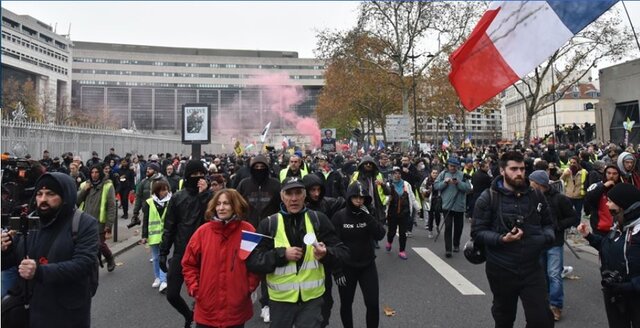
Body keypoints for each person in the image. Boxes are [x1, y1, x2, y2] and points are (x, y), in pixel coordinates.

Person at [246, 177, 350, 328]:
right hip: (280, 301)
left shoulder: (318, 219)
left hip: (312, 300)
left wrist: (326, 253)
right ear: (282, 196)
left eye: (298, 193)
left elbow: (343, 253)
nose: (294, 198)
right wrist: (281, 254)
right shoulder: (269, 224)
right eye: (289, 194)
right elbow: (253, 261)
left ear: (304, 196)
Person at [1, 173, 99, 327]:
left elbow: (83, 264)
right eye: (39, 194)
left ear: (65, 196)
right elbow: (13, 261)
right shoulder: (30, 222)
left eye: (50, 194)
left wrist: (39, 271)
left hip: (67, 314)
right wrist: (4, 250)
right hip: (32, 312)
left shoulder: (84, 223)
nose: (43, 199)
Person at [471, 151, 555, 328]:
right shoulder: (488, 197)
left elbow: (549, 224)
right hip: (501, 269)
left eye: (522, 169)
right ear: (502, 170)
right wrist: (502, 239)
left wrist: (544, 238)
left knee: (542, 320)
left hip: (532, 268)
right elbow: (478, 232)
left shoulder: (536, 196)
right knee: (504, 318)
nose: (519, 173)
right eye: (514, 169)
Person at [182, 189, 261, 328]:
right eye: (218, 204)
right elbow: (189, 263)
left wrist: (248, 287)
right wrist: (195, 288)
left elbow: (256, 263)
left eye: (226, 203)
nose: (221, 208)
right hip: (207, 307)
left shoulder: (248, 230)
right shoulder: (203, 232)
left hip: (235, 308)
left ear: (235, 205)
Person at [577, 183, 640, 327]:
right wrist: (589, 236)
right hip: (614, 293)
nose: (607, 203)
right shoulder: (618, 225)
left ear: (623, 205)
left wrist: (630, 286)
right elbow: (607, 248)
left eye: (610, 201)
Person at [158, 160, 212, 328]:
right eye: (193, 175)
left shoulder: (211, 197)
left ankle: (201, 320)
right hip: (182, 251)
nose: (197, 178)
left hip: (205, 253)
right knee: (172, 294)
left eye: (200, 174)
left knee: (203, 295)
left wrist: (204, 195)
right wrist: (163, 252)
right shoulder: (178, 197)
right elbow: (169, 226)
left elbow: (210, 219)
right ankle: (189, 315)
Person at [331, 181, 386, 328]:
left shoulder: (368, 213)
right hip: (346, 267)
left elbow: (380, 235)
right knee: (346, 303)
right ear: (349, 197)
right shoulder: (339, 217)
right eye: (355, 197)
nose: (359, 201)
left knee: (373, 303)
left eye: (362, 198)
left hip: (367, 265)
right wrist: (336, 270)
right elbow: (333, 244)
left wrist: (368, 217)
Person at [529, 170, 578, 321]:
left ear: (538, 184)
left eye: (531, 182)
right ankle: (546, 303)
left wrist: (557, 225)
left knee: (554, 274)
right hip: (538, 242)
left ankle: (555, 306)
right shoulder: (530, 198)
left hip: (554, 243)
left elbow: (573, 218)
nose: (529, 185)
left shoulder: (559, 199)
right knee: (542, 275)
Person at [303, 173, 346, 327]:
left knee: (326, 300)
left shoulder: (326, 204)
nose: (316, 194)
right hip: (305, 260)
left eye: (318, 189)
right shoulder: (299, 209)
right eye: (312, 190)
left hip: (325, 257)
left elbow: (344, 202)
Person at [77, 164, 117, 272]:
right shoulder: (84, 185)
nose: (94, 175)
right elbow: (76, 202)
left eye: (96, 172)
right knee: (87, 246)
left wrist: (108, 227)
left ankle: (109, 258)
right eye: (92, 172)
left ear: (100, 173)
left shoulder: (108, 185)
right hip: (85, 220)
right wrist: (84, 190)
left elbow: (111, 207)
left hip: (100, 221)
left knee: (99, 245)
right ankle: (90, 266)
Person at [433, 157, 472, 258]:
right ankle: (448, 249)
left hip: (459, 206)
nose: (452, 168)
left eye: (454, 166)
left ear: (457, 166)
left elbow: (468, 188)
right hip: (447, 205)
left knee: (458, 227)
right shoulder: (443, 174)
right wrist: (445, 182)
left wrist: (458, 183)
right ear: (448, 165)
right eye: (451, 166)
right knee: (448, 226)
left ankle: (456, 244)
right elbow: (436, 186)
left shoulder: (463, 175)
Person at [140, 180, 171, 293]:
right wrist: (144, 235)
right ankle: (157, 277)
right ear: (157, 191)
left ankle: (163, 280)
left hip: (165, 235)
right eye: (163, 190)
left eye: (166, 189)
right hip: (153, 235)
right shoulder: (149, 202)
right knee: (156, 258)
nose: (166, 192)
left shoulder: (170, 202)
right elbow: (146, 219)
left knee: (162, 256)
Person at [385, 167, 419, 259]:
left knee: (403, 233)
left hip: (405, 212)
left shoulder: (406, 184)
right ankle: (389, 242)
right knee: (391, 231)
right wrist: (388, 199)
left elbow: (411, 196)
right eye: (395, 173)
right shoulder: (388, 185)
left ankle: (402, 251)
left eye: (399, 173)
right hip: (392, 212)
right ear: (392, 175)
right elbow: (384, 199)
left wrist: (417, 208)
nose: (397, 175)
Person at [585, 165, 623, 236]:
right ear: (605, 173)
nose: (611, 176)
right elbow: (589, 199)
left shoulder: (621, 187)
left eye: (614, 174)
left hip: (617, 228)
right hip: (600, 227)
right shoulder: (597, 186)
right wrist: (603, 187)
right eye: (609, 173)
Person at [131, 162, 167, 227]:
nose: (147, 170)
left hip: (159, 211)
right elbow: (139, 197)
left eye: (150, 169)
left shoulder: (163, 181)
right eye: (147, 168)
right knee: (145, 230)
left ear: (155, 171)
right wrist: (135, 212)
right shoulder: (143, 182)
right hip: (146, 211)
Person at [420, 168, 441, 238]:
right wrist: (426, 191)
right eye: (433, 173)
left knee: (438, 214)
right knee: (430, 215)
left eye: (436, 173)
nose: (435, 174)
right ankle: (430, 230)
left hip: (438, 199)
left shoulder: (440, 180)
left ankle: (437, 225)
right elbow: (421, 188)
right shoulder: (427, 180)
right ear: (431, 173)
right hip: (429, 199)